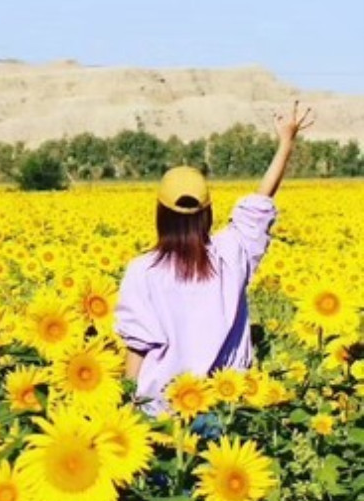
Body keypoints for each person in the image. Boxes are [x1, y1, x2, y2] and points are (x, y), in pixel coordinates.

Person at [116, 101, 316, 417]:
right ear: (208, 212)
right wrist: (286, 143)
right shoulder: (230, 253)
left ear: (160, 214)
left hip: (160, 412)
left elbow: (138, 346)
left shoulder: (142, 271)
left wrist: (126, 407)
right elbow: (261, 202)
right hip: (224, 406)